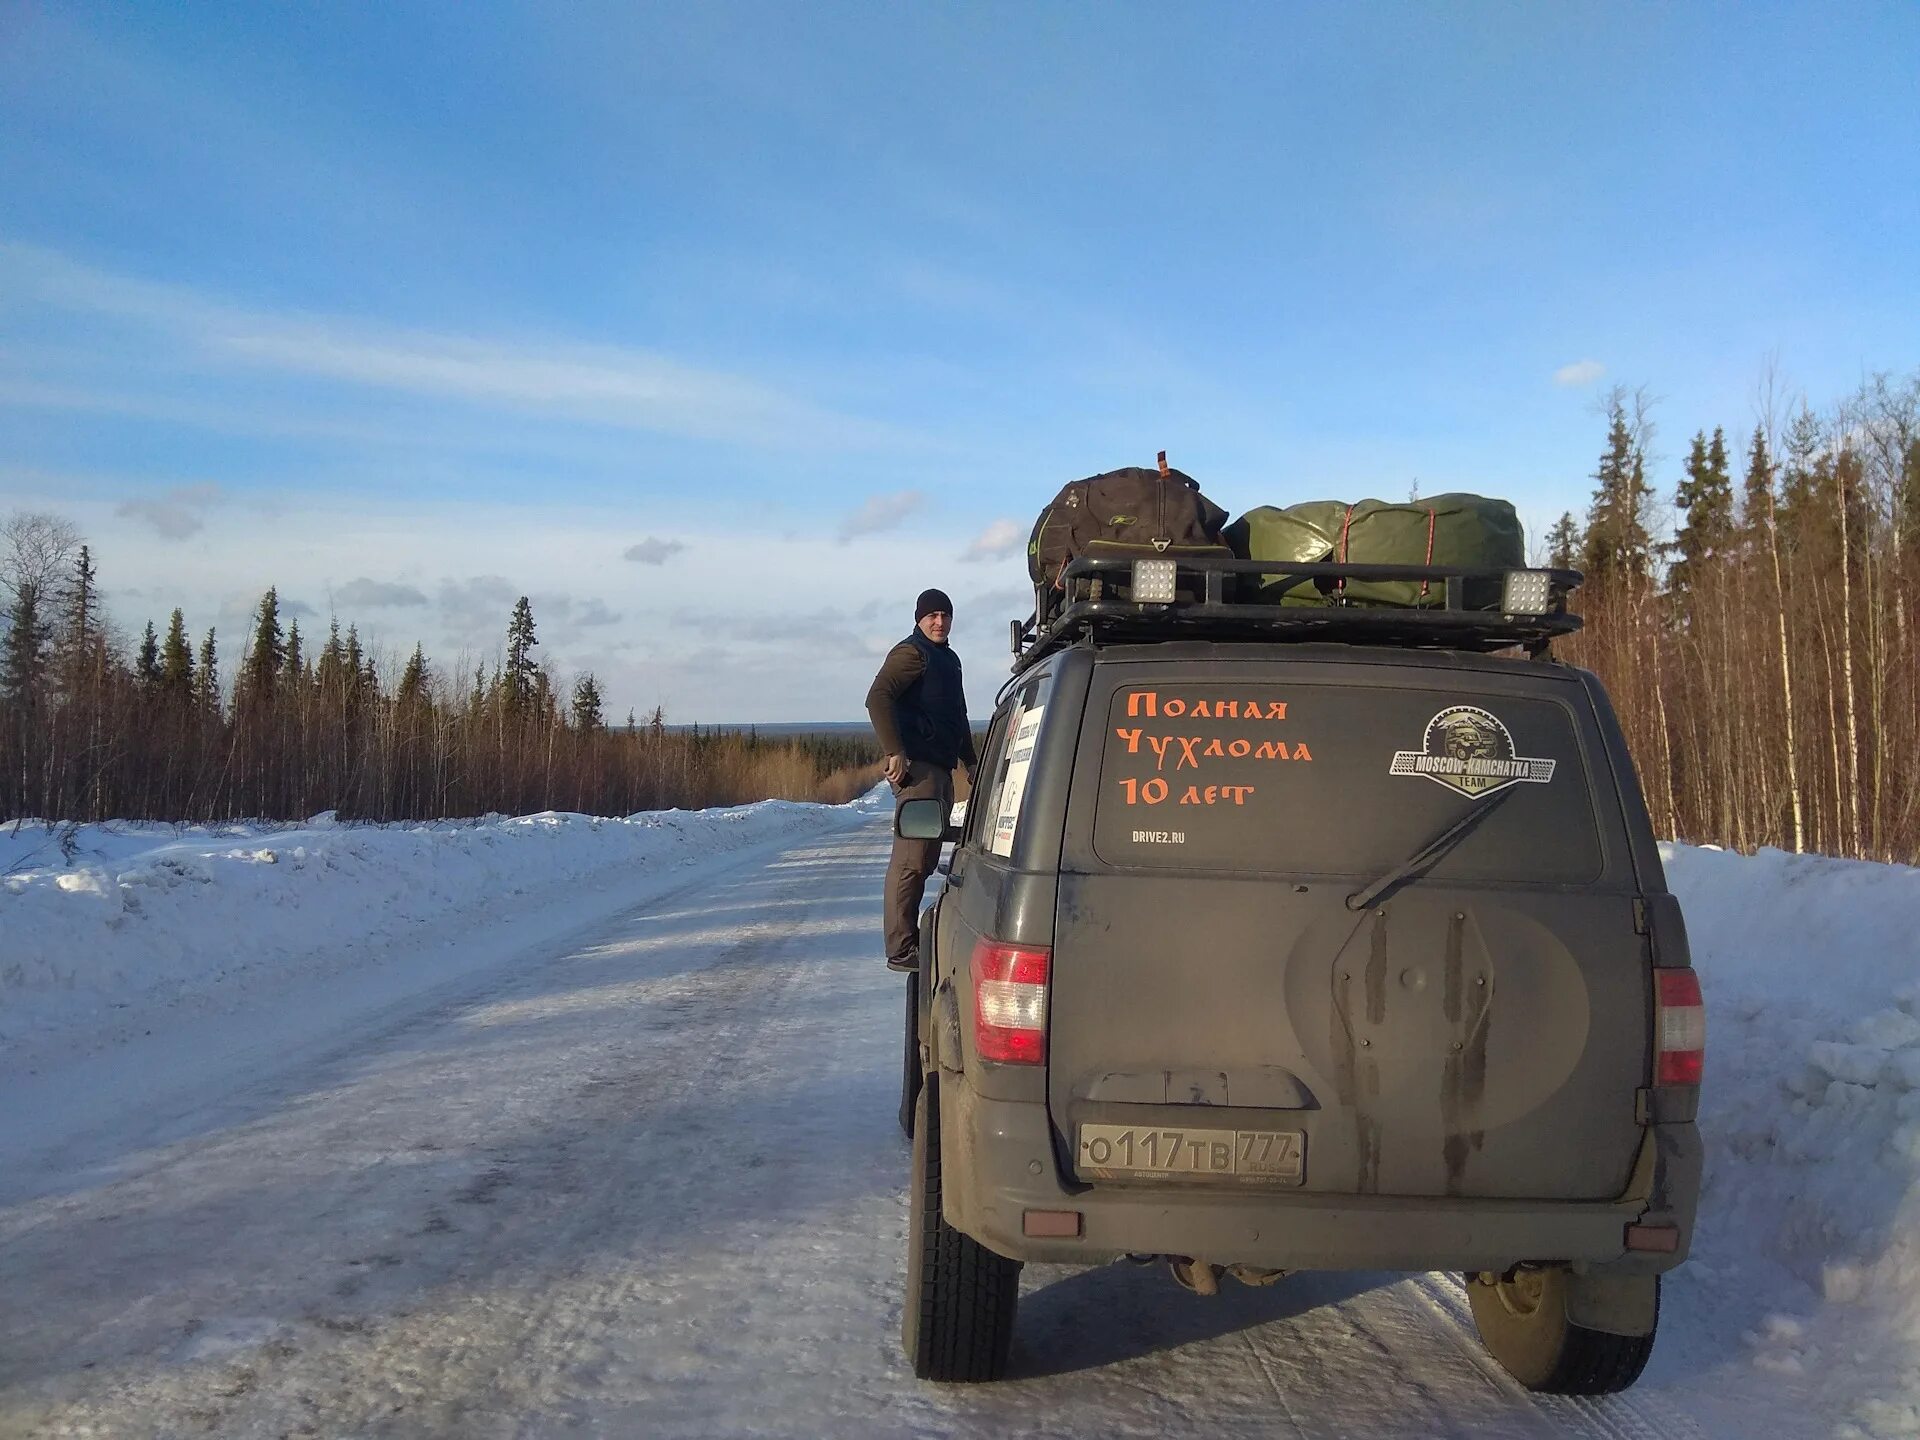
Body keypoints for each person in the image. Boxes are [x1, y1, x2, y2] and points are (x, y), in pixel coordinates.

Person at [866, 588, 976, 973]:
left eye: (945, 615)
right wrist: (894, 749)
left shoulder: (949, 659)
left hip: (941, 771)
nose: (939, 621)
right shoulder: (911, 653)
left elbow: (958, 716)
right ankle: (901, 948)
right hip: (918, 770)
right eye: (932, 615)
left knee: (927, 858)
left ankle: (910, 941)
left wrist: (971, 762)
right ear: (919, 618)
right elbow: (878, 696)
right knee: (911, 861)